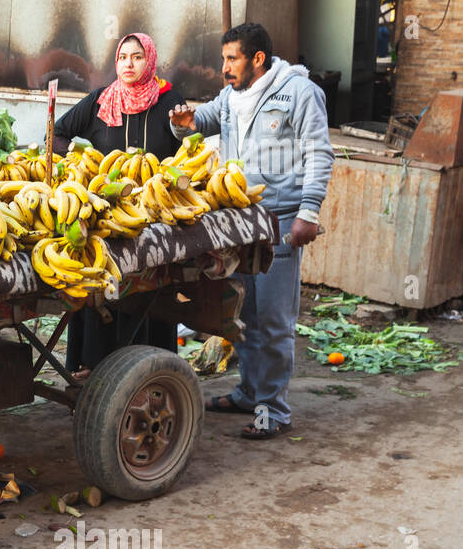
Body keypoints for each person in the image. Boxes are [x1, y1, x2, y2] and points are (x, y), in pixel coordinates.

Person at [169, 22, 333, 439]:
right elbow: (207, 117)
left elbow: (320, 153)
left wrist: (308, 213)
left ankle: (273, 411)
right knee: (241, 314)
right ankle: (248, 392)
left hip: (279, 220)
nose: (224, 67)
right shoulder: (232, 95)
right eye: (223, 59)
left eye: (231, 59)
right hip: (238, 221)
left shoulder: (299, 93)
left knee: (275, 321)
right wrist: (184, 121)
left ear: (257, 58)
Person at [53, 32, 185, 376]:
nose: (129, 63)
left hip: (158, 216)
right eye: (123, 57)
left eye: (137, 57)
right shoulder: (101, 100)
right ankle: (94, 367)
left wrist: (182, 132)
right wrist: (75, 156)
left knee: (150, 295)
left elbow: (186, 149)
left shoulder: (169, 102)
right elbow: (57, 132)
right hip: (106, 215)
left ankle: (151, 370)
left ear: (150, 60)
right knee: (101, 287)